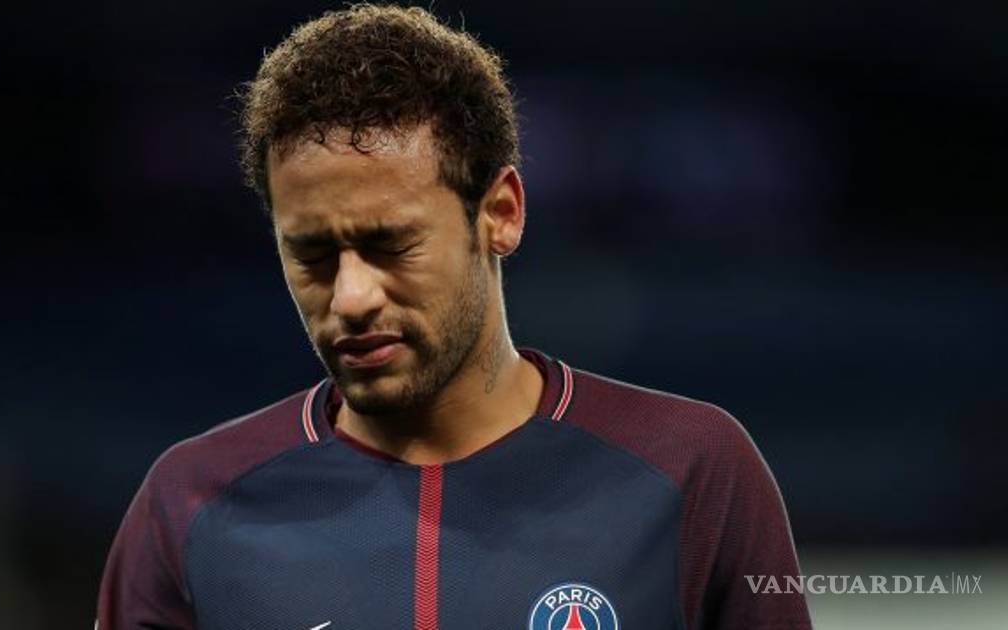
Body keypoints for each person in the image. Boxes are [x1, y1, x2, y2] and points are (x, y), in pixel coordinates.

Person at [97, 4, 812, 629]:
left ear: (500, 213)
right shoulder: (189, 504)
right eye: (311, 254)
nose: (351, 297)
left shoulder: (692, 471)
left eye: (391, 244)